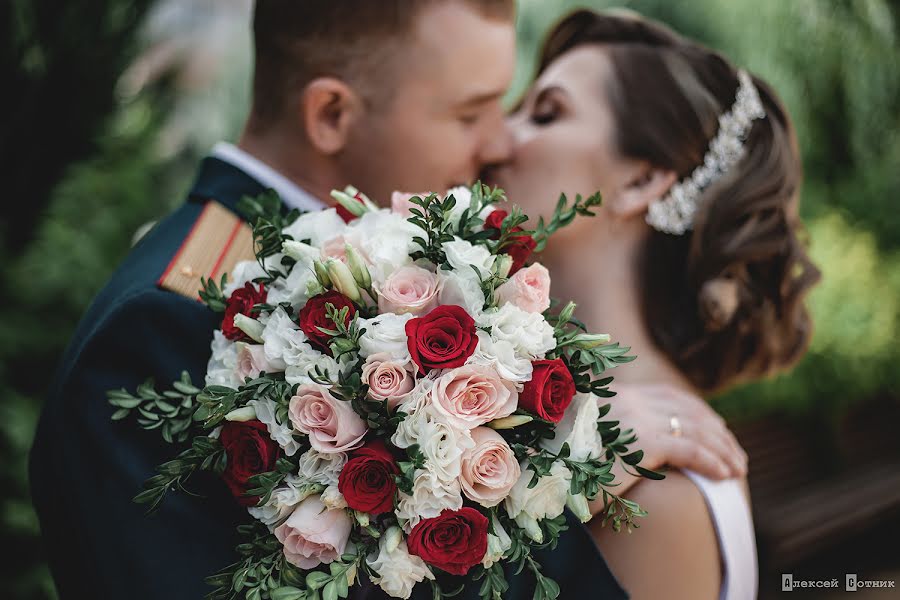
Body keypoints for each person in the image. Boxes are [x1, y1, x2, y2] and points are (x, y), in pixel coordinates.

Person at [30, 2, 745, 598]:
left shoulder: (349, 274)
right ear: (332, 116)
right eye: (470, 114)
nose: (498, 142)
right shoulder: (163, 328)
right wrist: (556, 478)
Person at [485, 9, 821, 600]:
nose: (495, 139)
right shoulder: (501, 414)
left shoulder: (655, 489)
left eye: (546, 113)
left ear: (641, 181)